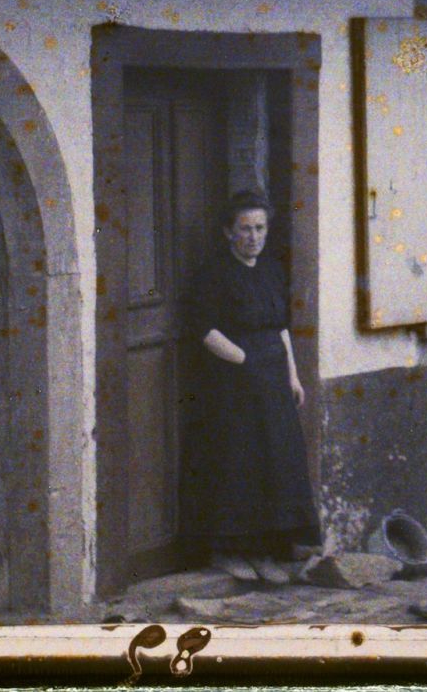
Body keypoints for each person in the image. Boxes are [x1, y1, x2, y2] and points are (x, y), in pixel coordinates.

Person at [184, 193, 320, 584]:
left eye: (260, 228)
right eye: (245, 228)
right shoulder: (214, 274)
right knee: (239, 465)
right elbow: (204, 330)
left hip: (273, 376)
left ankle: (264, 553)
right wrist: (244, 362)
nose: (253, 236)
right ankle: (228, 552)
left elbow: (281, 327)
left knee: (274, 462)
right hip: (234, 380)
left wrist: (292, 375)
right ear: (229, 232)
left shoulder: (272, 271)